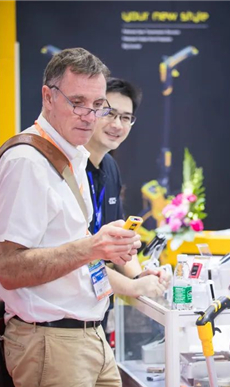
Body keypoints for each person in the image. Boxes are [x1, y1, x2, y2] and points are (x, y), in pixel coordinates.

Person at [0, 48, 166, 387]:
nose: (90, 116)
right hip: (51, 341)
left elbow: (76, 252)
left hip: (90, 333)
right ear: (48, 97)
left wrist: (121, 260)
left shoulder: (76, 157)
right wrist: (94, 247)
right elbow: (8, 269)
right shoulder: (27, 162)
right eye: (77, 102)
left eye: (98, 104)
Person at [84, 77, 163, 338]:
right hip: (66, 317)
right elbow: (78, 258)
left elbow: (120, 242)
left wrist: (140, 276)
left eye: (126, 117)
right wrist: (134, 287)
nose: (117, 125)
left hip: (100, 314)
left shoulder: (110, 167)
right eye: (109, 113)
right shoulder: (69, 168)